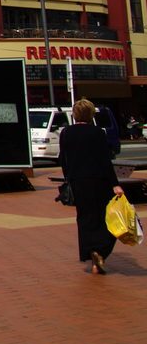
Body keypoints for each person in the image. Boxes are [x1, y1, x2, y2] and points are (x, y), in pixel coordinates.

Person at [60, 98, 124, 275]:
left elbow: (63, 160)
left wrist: (69, 179)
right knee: (106, 218)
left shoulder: (66, 133)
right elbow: (105, 161)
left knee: (85, 218)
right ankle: (101, 251)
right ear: (91, 114)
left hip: (78, 182)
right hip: (99, 181)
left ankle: (91, 252)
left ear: (75, 114)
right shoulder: (97, 133)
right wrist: (115, 184)